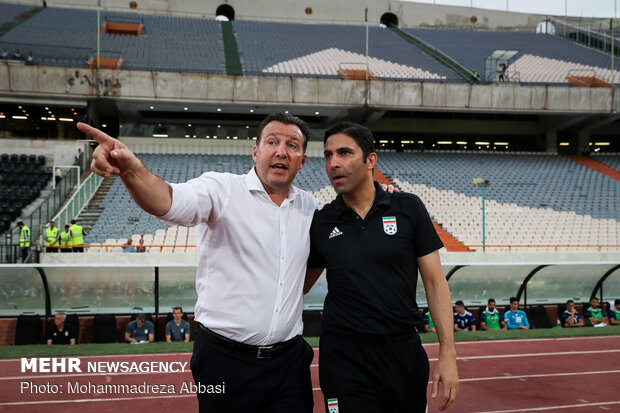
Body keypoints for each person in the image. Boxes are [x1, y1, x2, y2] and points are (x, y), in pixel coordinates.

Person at [79, 113, 317, 412]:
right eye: (272, 142)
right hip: (224, 361)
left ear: (302, 161)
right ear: (256, 152)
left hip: (289, 365)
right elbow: (169, 200)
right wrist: (132, 170)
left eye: (292, 145)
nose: (282, 151)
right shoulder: (221, 189)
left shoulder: (310, 206)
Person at [305, 122, 458, 412]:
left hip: (402, 353)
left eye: (344, 153)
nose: (333, 163)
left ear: (371, 160)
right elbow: (297, 285)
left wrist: (448, 354)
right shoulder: (321, 222)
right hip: (344, 357)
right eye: (327, 155)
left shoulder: (408, 208)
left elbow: (436, 283)